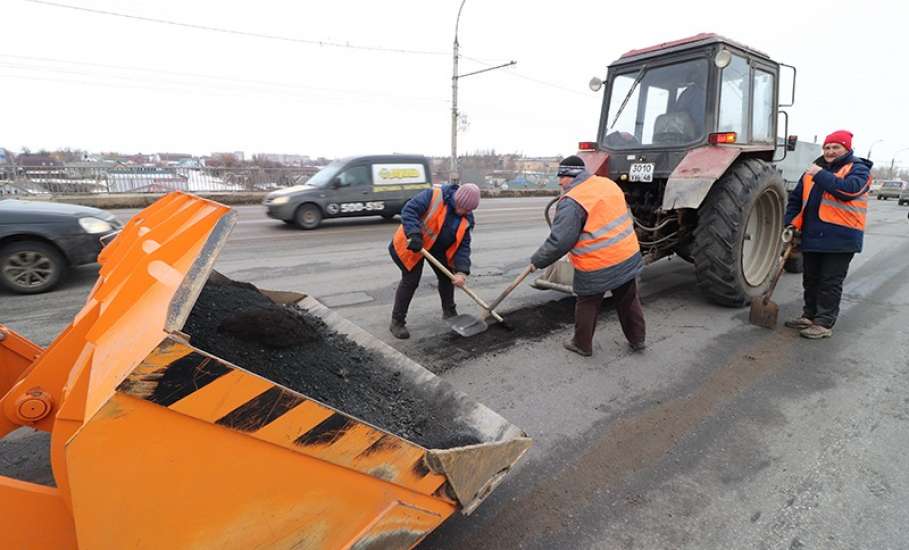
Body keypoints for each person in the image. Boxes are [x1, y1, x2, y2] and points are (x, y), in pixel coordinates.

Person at [530, 156, 646, 356]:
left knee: (588, 302)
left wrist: (537, 261)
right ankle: (638, 339)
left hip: (598, 263)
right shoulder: (607, 184)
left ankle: (581, 344)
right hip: (626, 254)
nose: (559, 181)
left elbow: (560, 241)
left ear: (572, 176)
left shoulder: (572, 201)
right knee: (628, 298)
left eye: (562, 176)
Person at [784, 129, 873, 339]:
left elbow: (848, 190)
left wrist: (821, 175)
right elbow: (796, 199)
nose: (830, 151)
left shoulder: (858, 169)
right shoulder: (812, 171)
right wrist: (790, 223)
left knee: (830, 282)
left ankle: (823, 323)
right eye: (827, 147)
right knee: (811, 279)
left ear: (847, 149)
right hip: (813, 235)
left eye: (836, 147)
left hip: (841, 238)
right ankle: (809, 315)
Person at [388, 182, 480, 339]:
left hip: (436, 248)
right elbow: (409, 210)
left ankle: (449, 312)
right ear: (457, 199)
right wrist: (414, 234)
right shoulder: (434, 196)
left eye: (468, 210)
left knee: (447, 276)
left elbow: (463, 247)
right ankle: (397, 321)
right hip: (412, 244)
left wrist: (461, 271)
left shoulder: (466, 219)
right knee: (411, 280)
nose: (463, 212)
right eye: (462, 207)